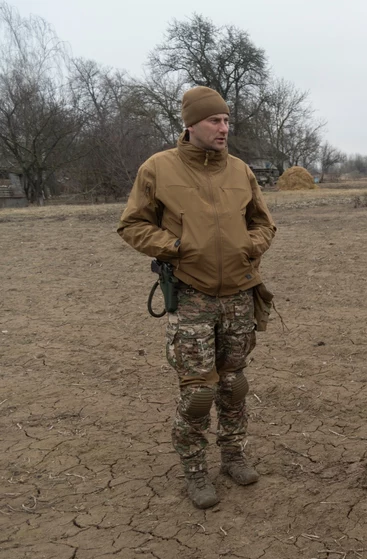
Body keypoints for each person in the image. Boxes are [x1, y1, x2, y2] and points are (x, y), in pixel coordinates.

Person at [118, 86, 277, 509]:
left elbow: (265, 224)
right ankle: (194, 468)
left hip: (240, 295)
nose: (224, 127)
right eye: (214, 120)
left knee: (233, 384)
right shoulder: (157, 168)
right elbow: (132, 225)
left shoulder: (241, 171)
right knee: (198, 393)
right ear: (190, 124)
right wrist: (176, 247)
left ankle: (233, 455)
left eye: (226, 120)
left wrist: (249, 245)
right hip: (191, 296)